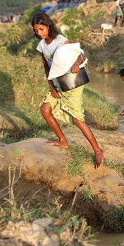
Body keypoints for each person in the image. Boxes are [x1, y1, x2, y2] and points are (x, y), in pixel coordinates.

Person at [31, 12, 104, 168]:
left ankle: (98, 150)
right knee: (45, 109)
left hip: (72, 82)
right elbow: (46, 66)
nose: (39, 33)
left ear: (48, 26)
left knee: (77, 119)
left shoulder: (61, 40)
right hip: (58, 82)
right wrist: (51, 87)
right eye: (36, 30)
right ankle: (63, 141)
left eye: (41, 29)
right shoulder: (42, 45)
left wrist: (76, 64)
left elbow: (81, 55)